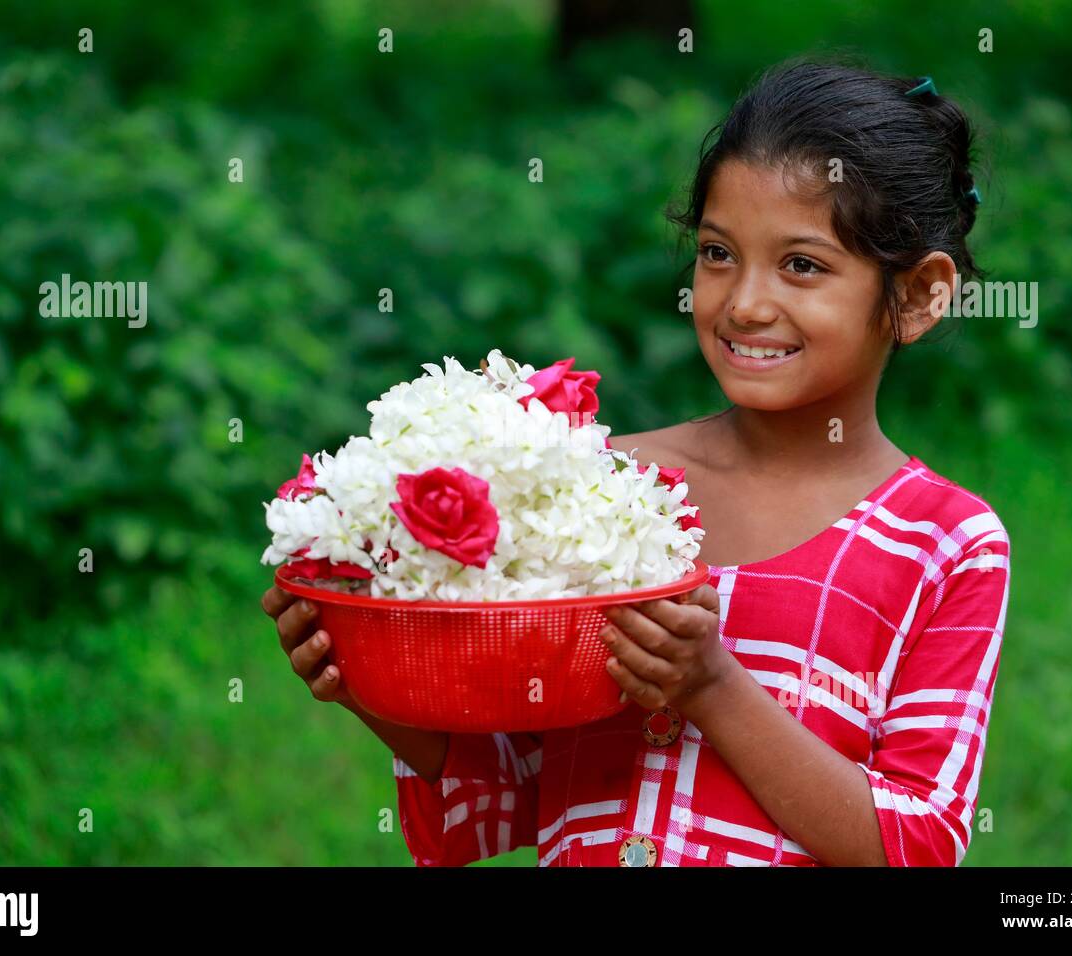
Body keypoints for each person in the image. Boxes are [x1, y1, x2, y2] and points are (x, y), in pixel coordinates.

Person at [261, 59, 1009, 866]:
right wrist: (374, 687)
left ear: (921, 294)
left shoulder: (945, 544)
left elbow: (916, 845)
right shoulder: (606, 487)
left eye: (802, 265)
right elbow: (516, 791)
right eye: (719, 253)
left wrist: (712, 686)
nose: (744, 301)